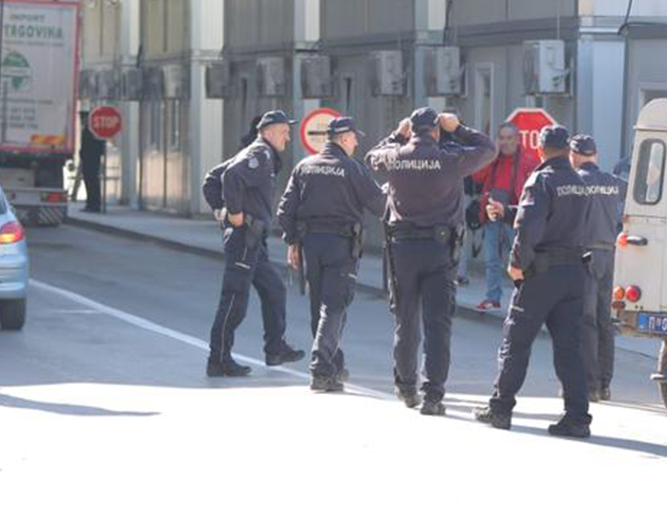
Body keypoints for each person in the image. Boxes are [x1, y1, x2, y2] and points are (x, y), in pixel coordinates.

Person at [365, 108, 495, 415]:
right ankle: (433, 395)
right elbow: (489, 150)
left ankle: (407, 388)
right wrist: (460, 127)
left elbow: (371, 157)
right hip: (440, 250)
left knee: (406, 321)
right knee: (438, 324)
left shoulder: (395, 156)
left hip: (403, 250)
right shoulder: (450, 159)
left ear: (412, 130)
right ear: (436, 131)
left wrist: (397, 134)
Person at [473, 125, 593, 438]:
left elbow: (529, 227)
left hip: (542, 274)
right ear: (567, 150)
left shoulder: (541, 180)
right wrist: (510, 210)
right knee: (570, 349)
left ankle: (500, 409)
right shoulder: (579, 182)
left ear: (540, 151)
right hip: (574, 274)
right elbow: (560, 218)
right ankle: (578, 417)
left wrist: (515, 264)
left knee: (516, 342)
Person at [276, 116, 385, 392]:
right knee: (335, 306)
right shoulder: (351, 168)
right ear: (344, 138)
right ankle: (321, 368)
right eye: (354, 137)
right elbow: (380, 204)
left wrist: (293, 243)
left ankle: (333, 364)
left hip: (311, 244)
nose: (357, 142)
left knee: (319, 307)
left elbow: (285, 210)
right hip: (341, 244)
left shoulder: (305, 166)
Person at [206, 110, 305, 377]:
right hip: (243, 238)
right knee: (235, 300)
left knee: (275, 289)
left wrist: (220, 210)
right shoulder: (259, 154)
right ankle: (219, 359)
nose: (287, 137)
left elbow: (212, 179)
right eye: (284, 131)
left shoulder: (260, 153)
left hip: (253, 239)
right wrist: (232, 214)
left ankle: (275, 348)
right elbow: (229, 178)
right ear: (269, 132)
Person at [570, 134, 624, 402]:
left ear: (575, 155)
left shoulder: (576, 181)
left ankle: (590, 384)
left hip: (585, 255)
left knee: (586, 320)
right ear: (596, 155)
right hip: (609, 254)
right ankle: (605, 383)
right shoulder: (613, 182)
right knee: (605, 320)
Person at [476, 122, 539, 311]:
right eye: (501, 138)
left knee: (521, 259)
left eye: (509, 138)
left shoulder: (528, 160)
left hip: (515, 215)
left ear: (517, 139)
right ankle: (493, 297)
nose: (505, 142)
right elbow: (477, 177)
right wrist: (492, 156)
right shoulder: (493, 158)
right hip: (492, 213)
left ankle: (526, 298)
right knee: (491, 259)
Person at [79, 110, 105, 212]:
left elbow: (97, 147)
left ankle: (94, 204)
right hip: (88, 160)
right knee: (89, 182)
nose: (82, 121)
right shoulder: (87, 129)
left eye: (83, 119)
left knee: (92, 182)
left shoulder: (92, 131)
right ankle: (90, 204)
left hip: (92, 161)